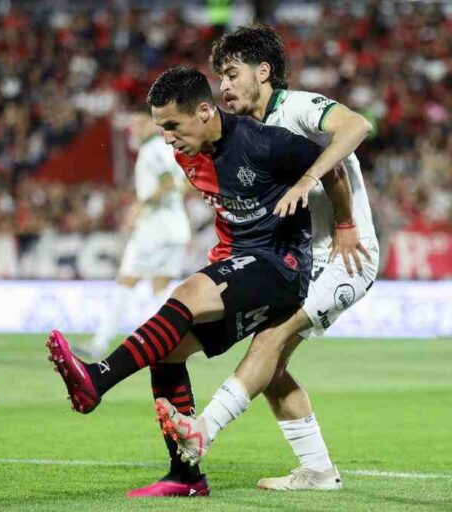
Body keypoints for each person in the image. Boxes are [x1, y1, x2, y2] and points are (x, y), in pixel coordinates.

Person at [46, 65, 336, 496]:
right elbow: (230, 208)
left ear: (204, 111)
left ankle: (97, 379)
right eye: (160, 127)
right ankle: (186, 476)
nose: (166, 137)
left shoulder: (264, 143)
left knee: (187, 293)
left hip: (282, 266)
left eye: (171, 125)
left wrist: (345, 228)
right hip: (244, 263)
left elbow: (334, 163)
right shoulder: (187, 153)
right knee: (166, 352)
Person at [155, 24, 379, 491]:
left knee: (270, 339)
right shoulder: (239, 135)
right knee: (272, 365)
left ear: (264, 72)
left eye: (234, 74)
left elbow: (358, 125)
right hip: (295, 258)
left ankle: (204, 430)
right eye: (220, 77)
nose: (226, 86)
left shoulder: (296, 107)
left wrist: (325, 202)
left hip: (346, 254)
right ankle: (317, 471)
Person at [78, 110, 191, 359]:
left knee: (126, 281)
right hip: (177, 228)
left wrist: (139, 207)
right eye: (133, 124)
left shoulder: (151, 151)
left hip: (155, 230)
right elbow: (184, 183)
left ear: (154, 125)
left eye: (140, 123)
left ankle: (99, 342)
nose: (134, 129)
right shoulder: (170, 150)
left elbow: (167, 183)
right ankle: (184, 340)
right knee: (160, 287)